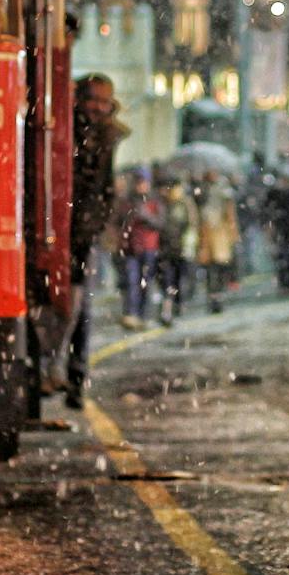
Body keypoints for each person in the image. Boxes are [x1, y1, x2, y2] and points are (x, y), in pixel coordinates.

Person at [62, 74, 123, 408]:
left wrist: (95, 224)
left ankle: (75, 376)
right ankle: (66, 373)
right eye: (93, 100)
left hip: (83, 232)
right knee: (73, 306)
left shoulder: (105, 138)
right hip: (62, 227)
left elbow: (105, 188)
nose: (98, 108)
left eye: (104, 101)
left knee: (80, 307)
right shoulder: (65, 130)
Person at [118, 171, 163, 330]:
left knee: (145, 282)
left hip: (149, 247)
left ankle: (143, 315)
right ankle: (131, 314)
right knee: (131, 281)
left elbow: (160, 222)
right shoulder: (128, 201)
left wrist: (146, 216)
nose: (141, 186)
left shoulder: (154, 200)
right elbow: (119, 222)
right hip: (131, 248)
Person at [157, 173, 197, 326]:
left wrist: (188, 246)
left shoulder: (185, 203)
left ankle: (178, 304)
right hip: (164, 249)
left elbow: (192, 224)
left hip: (180, 248)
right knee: (167, 280)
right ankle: (167, 308)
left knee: (180, 278)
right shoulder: (162, 203)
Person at [197, 170, 240, 314]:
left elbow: (230, 212)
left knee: (220, 266)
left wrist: (233, 233)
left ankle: (218, 296)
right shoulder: (201, 189)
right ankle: (214, 297)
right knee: (210, 269)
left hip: (220, 233)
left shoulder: (223, 190)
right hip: (206, 233)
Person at [264, 170, 289, 295]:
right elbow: (266, 210)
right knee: (281, 257)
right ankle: (283, 283)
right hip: (280, 229)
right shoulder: (274, 193)